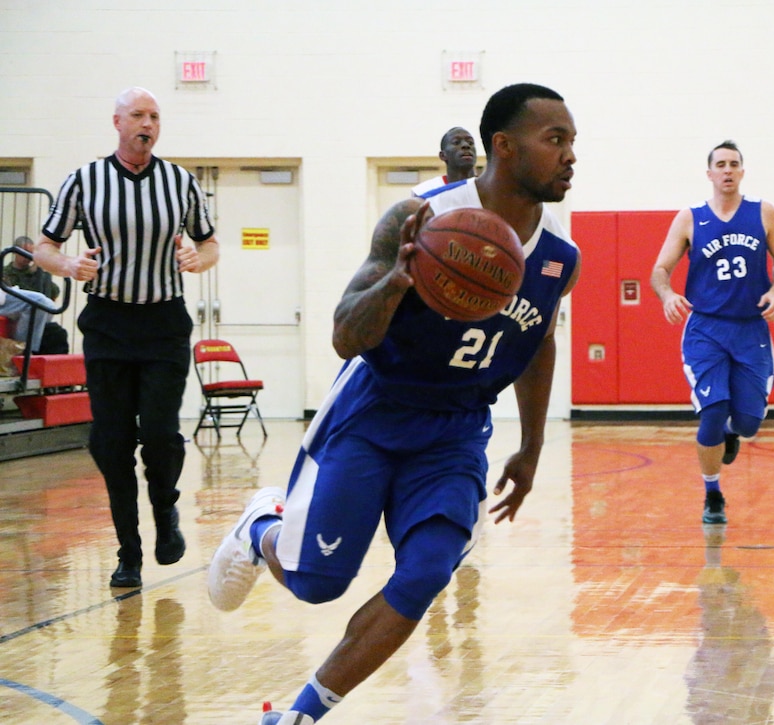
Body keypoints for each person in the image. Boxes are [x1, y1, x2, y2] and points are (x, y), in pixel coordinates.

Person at [207, 82, 579, 725]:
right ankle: (260, 527)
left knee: (426, 571)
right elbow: (344, 335)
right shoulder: (420, 218)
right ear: (504, 147)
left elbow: (539, 341)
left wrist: (533, 444)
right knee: (318, 583)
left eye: (573, 142)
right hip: (375, 409)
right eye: (556, 140)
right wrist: (398, 282)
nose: (571, 155)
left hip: (458, 428)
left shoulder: (558, 258)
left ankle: (297, 717)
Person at [34, 87, 220, 589]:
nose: (148, 124)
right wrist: (69, 264)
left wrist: (198, 258)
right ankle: (128, 552)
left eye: (155, 117)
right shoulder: (85, 180)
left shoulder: (179, 182)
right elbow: (43, 247)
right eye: (138, 115)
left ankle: (165, 507)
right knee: (111, 442)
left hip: (163, 325)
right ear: (117, 122)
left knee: (160, 434)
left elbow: (209, 242)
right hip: (109, 324)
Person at [650, 140, 774, 526]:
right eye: (721, 165)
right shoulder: (690, 218)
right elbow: (660, 269)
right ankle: (713, 494)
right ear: (710, 173)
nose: (728, 171)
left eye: (734, 164)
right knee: (711, 412)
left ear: (742, 171)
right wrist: (667, 295)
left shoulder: (763, 212)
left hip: (751, 328)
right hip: (706, 329)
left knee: (747, 424)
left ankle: (733, 431)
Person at [3, 235, 68, 353]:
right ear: (16, 252)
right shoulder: (6, 272)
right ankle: (25, 351)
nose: (28, 257)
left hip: (35, 314)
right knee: (38, 305)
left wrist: (40, 274)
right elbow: (21, 296)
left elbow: (54, 291)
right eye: (24, 252)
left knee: (57, 333)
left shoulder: (35, 273)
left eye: (30, 253)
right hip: (20, 312)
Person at [410, 126, 478, 197]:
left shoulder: (488, 187)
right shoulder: (423, 192)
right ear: (443, 155)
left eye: (470, 142)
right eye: (456, 142)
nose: (466, 145)